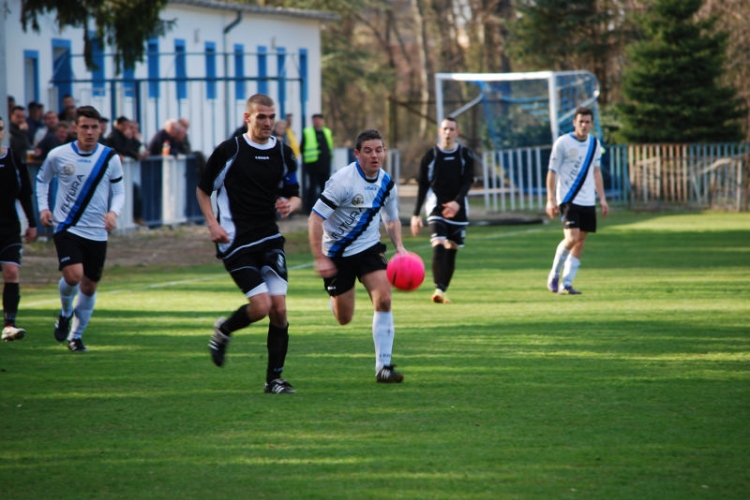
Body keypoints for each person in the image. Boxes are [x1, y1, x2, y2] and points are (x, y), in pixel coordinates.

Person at [196, 93, 301, 395]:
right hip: (236, 240)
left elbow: (296, 193)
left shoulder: (283, 153)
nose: (268, 122)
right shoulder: (230, 150)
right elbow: (204, 191)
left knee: (279, 309)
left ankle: (274, 380)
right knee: (262, 306)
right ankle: (224, 330)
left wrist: (291, 205)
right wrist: (213, 225)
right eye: (261, 117)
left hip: (269, 236)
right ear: (248, 118)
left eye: (271, 116)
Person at [308, 129, 408, 384]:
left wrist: (400, 248)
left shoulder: (386, 183)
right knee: (344, 318)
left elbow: (392, 218)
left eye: (379, 150)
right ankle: (334, 299)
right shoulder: (342, 182)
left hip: (368, 249)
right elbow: (315, 218)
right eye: (368, 150)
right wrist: (320, 257)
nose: (374, 155)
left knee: (384, 298)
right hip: (337, 254)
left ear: (384, 152)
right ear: (357, 154)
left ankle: (383, 367)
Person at [36, 105, 125, 352]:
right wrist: (44, 208)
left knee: (89, 286)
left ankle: (76, 336)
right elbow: (42, 180)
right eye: (84, 126)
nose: (89, 131)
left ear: (100, 129)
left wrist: (113, 212)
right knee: (73, 276)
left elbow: (119, 191)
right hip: (67, 226)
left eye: (94, 127)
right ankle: (65, 312)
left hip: (97, 231)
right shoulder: (58, 155)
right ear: (75, 128)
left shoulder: (110, 157)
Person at [410, 116, 475, 304]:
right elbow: (423, 185)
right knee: (438, 242)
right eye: (445, 129)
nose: (448, 132)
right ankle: (438, 288)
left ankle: (442, 289)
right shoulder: (430, 156)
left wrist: (457, 203)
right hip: (436, 206)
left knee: (451, 249)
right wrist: (416, 214)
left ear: (457, 132)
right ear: (439, 131)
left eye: (451, 129)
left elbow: (467, 181)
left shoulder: (465, 155)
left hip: (459, 208)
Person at [545, 106, 609, 295]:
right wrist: (550, 199)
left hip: (588, 200)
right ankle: (554, 275)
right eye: (580, 121)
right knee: (571, 238)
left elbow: (597, 172)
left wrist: (602, 199)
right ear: (574, 123)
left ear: (591, 124)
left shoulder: (594, 144)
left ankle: (567, 283)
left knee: (580, 241)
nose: (584, 125)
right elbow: (552, 171)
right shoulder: (563, 143)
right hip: (568, 198)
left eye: (587, 122)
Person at [0, 116, 37, 341]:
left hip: (9, 227)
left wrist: (32, 223)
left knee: (11, 271)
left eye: (0, 129)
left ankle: (9, 325)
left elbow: (25, 193)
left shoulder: (13, 158)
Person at [301, 113, 333, 213]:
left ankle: (325, 208)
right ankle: (309, 209)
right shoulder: (307, 132)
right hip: (312, 166)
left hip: (325, 165)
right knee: (312, 186)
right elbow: (302, 148)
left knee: (325, 187)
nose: (317, 122)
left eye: (319, 120)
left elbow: (329, 147)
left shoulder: (327, 132)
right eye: (315, 120)